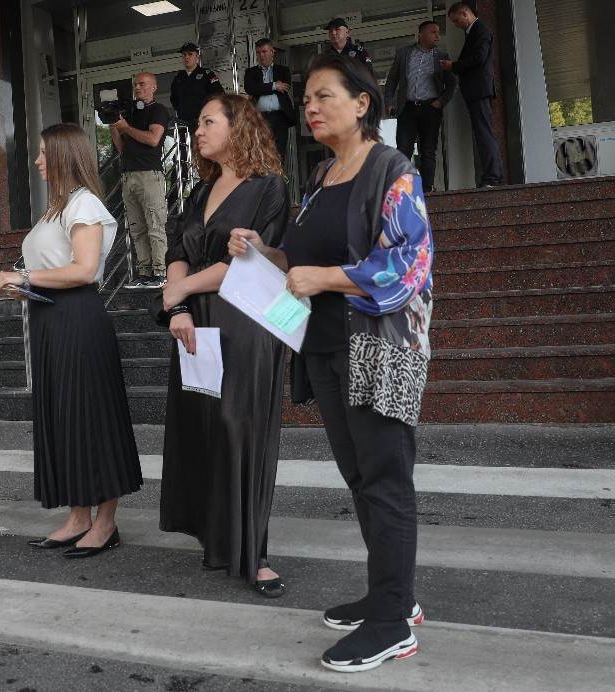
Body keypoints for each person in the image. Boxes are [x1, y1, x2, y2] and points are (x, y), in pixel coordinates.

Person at [230, 53, 432, 673]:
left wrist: (327, 277)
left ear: (363, 102)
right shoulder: (321, 177)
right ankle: (388, 594)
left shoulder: (392, 170)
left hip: (378, 349)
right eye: (308, 100)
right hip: (324, 348)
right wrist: (265, 250)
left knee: (385, 481)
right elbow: (302, 261)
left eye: (324, 97)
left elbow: (408, 264)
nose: (310, 108)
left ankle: (394, 621)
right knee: (359, 478)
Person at [0, 123, 142, 559]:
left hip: (77, 319)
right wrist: (27, 288)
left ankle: (106, 522)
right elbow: (56, 269)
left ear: (62, 155)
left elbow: (84, 269)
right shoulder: (56, 208)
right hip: (50, 319)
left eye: (43, 153)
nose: (37, 160)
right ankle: (78, 517)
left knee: (90, 417)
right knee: (64, 417)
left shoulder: (84, 203)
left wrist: (23, 276)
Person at [159, 93, 289, 596]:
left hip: (246, 322)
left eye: (208, 121)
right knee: (206, 426)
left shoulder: (268, 187)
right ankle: (218, 538)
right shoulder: (201, 191)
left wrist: (182, 290)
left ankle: (253, 552)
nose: (198, 131)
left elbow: (251, 262)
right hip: (199, 322)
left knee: (242, 429)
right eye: (197, 124)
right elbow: (178, 249)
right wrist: (179, 307)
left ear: (240, 127)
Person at [112, 71, 171, 290]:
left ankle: (161, 272)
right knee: (137, 228)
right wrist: (114, 126)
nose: (138, 88)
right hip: (128, 174)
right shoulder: (131, 114)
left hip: (149, 174)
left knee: (155, 224)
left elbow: (154, 139)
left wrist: (126, 128)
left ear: (154, 87)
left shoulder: (158, 110)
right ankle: (145, 273)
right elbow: (121, 149)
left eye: (142, 84)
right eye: (135, 85)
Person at [384, 20, 457, 192]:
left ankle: (427, 189)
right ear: (421, 34)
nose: (438, 36)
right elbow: (392, 79)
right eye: (433, 32)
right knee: (403, 149)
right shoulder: (404, 54)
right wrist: (389, 101)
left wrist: (440, 102)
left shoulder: (441, 57)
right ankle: (401, 189)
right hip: (407, 108)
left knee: (428, 150)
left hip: (430, 109)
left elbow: (452, 85)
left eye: (438, 32)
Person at [441, 1, 504, 187]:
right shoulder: (474, 32)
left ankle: (493, 177)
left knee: (484, 133)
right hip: (476, 90)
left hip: (479, 90)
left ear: (465, 13)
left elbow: (479, 58)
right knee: (483, 132)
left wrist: (453, 66)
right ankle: (493, 175)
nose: (455, 25)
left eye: (456, 20)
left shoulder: (480, 30)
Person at [243, 38, 298, 155]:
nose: (261, 55)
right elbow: (250, 88)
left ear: (272, 52)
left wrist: (261, 88)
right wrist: (274, 86)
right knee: (263, 152)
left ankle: (279, 174)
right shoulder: (251, 72)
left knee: (280, 152)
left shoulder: (282, 70)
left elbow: (285, 87)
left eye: (264, 51)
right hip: (260, 118)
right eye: (258, 52)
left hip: (280, 117)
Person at [170, 42, 224, 132]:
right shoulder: (178, 78)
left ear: (197, 57)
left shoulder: (207, 74)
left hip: (203, 121)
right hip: (184, 122)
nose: (186, 57)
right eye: (184, 55)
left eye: (190, 54)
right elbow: (174, 99)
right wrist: (183, 109)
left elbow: (219, 95)